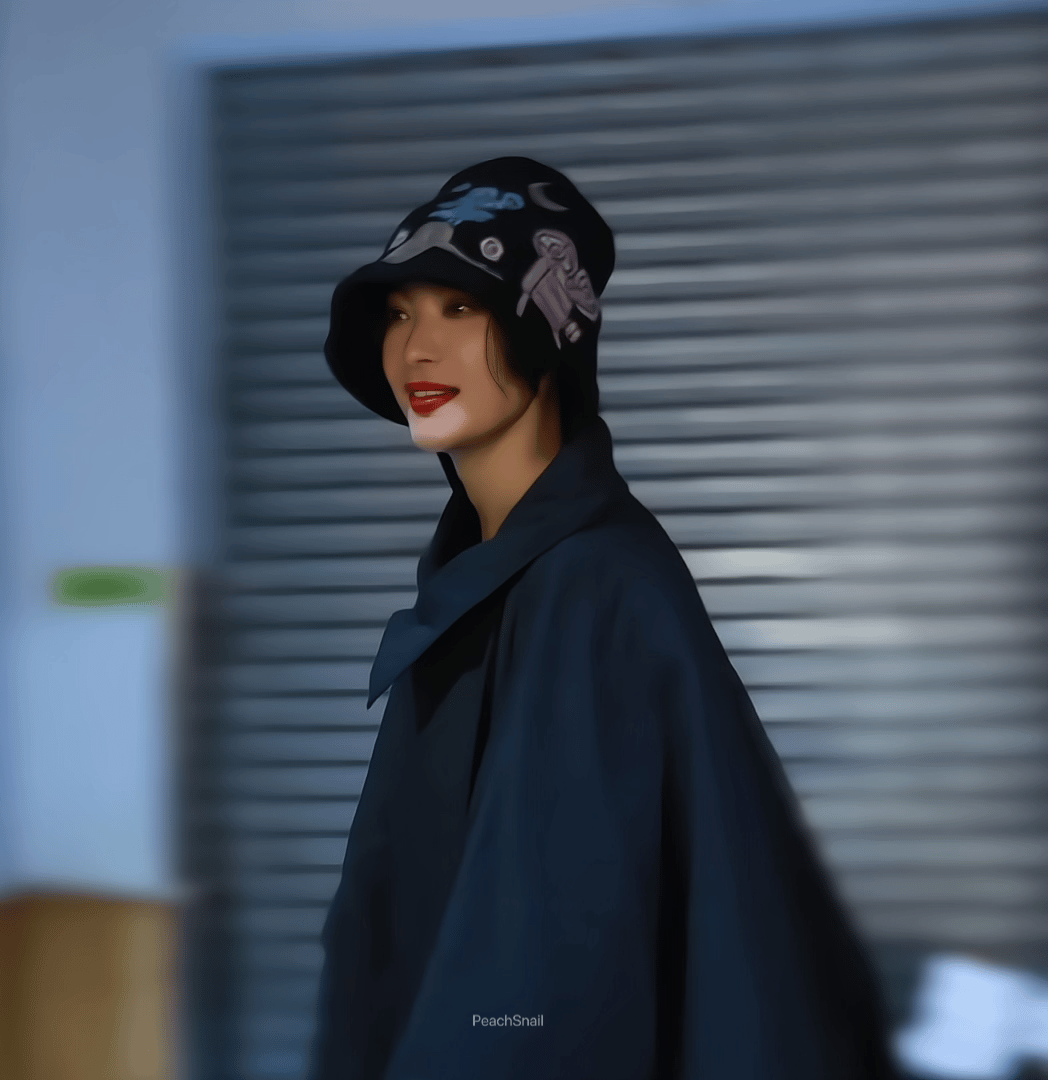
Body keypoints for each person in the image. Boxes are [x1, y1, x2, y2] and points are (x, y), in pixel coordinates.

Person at [309, 157, 898, 1080]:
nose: (416, 349)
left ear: (547, 330)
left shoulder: (587, 587)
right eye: (398, 312)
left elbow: (544, 987)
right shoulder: (488, 580)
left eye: (459, 308)